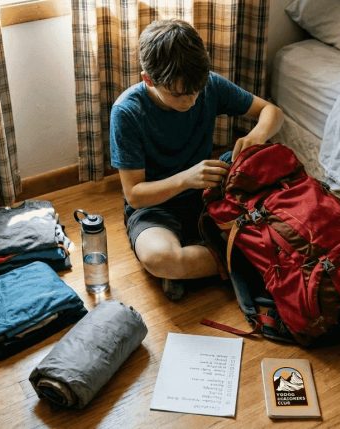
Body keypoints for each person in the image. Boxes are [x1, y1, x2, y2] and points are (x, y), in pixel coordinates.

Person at [109, 18, 284, 300]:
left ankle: (204, 266)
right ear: (148, 80)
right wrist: (186, 178)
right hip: (157, 206)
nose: (190, 100)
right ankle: (248, 258)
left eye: (196, 90)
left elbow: (271, 112)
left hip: (209, 193)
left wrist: (257, 136)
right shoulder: (127, 112)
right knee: (159, 258)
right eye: (178, 94)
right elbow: (135, 196)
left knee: (277, 183)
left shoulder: (208, 84)